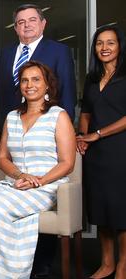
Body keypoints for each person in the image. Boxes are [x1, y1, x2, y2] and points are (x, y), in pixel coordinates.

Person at [0, 61, 76, 279]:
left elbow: (67, 163)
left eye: (36, 80)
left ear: (47, 86)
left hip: (47, 186)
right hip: (15, 183)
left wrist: (38, 181)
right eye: (25, 80)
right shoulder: (12, 117)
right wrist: (20, 175)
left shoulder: (58, 115)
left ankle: (2, 274)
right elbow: (3, 158)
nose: (29, 85)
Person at [0, 5, 76, 277]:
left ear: (43, 24)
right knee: (13, 193)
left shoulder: (58, 51)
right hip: (14, 133)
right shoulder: (5, 54)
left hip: (46, 138)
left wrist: (63, 132)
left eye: (31, 21)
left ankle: (41, 262)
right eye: (20, 22)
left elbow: (68, 95)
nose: (26, 25)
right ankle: (7, 260)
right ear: (14, 27)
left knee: (38, 195)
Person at [77, 25, 126, 279]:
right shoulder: (92, 79)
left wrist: (97, 134)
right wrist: (83, 138)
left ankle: (123, 267)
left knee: (121, 210)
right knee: (101, 209)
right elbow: (85, 112)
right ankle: (107, 263)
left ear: (120, 46)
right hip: (95, 155)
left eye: (110, 43)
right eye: (99, 43)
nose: (104, 48)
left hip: (120, 152)